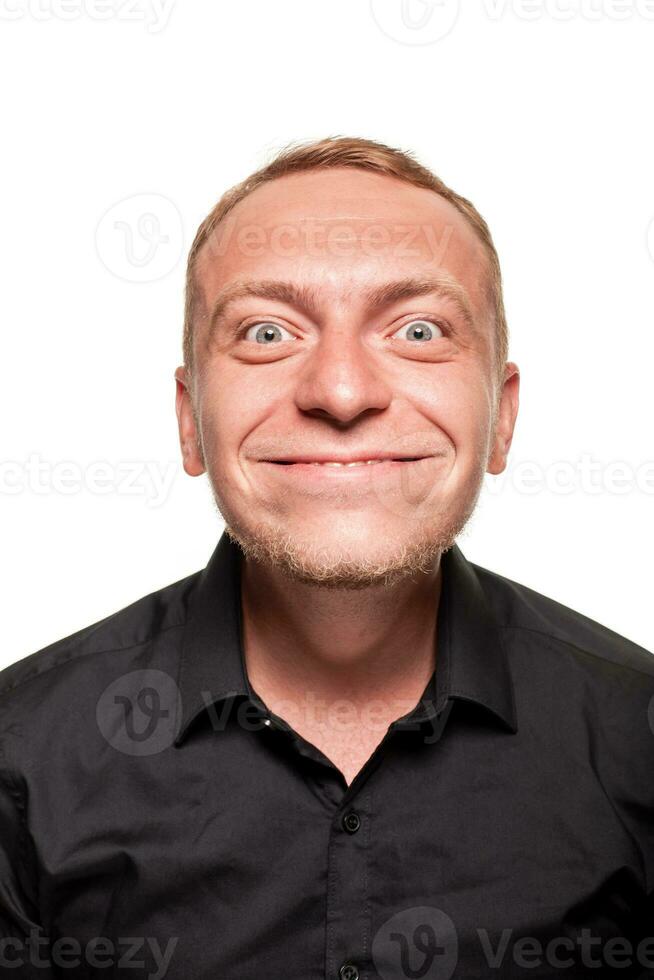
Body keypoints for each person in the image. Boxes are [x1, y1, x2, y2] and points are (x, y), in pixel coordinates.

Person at [1, 136, 653, 979]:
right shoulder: (18, 760)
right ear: (191, 418)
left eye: (418, 329)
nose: (341, 392)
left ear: (502, 414)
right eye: (267, 332)